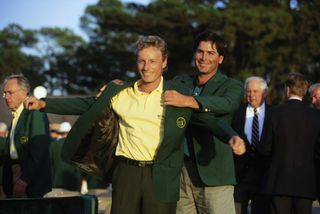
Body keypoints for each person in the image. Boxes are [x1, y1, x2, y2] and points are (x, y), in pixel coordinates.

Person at [24, 35, 244, 213]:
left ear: (164, 63)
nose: (146, 67)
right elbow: (87, 104)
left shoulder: (175, 96)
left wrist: (231, 136)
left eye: (153, 61)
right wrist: (44, 103)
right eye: (142, 60)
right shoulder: (122, 93)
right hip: (126, 172)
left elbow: (209, 121)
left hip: (161, 176)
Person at [163, 30, 244, 214]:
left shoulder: (232, 86)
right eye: (200, 51)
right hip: (180, 174)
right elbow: (152, 86)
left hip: (214, 174)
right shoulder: (180, 82)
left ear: (220, 59)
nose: (204, 57)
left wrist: (188, 101)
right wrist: (121, 85)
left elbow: (227, 104)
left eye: (211, 53)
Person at [259, 72, 320, 214]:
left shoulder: (274, 113)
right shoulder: (316, 116)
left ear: (287, 90)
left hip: (278, 181)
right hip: (306, 182)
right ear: (304, 93)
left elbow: (265, 147)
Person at [0, 74, 52, 198]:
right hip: (15, 176)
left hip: (28, 181)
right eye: (4, 93)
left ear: (24, 92)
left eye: (10, 93)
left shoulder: (34, 113)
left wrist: (25, 179)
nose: (6, 97)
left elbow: (39, 150)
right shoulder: (16, 116)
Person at [231, 76, 271, 214]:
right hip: (239, 176)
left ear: (264, 93)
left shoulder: (274, 114)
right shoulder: (236, 113)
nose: (251, 95)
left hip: (264, 177)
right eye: (248, 91)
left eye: (255, 91)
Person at [46, 121, 82, 197]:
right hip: (72, 186)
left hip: (55, 186)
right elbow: (78, 169)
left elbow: (49, 167)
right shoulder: (76, 146)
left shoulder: (53, 145)